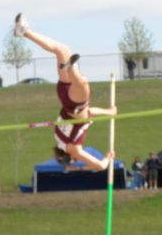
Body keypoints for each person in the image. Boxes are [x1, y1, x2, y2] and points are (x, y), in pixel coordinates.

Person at [14, 13, 116, 171]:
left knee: (82, 83)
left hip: (75, 104)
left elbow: (100, 166)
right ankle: (24, 32)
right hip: (64, 95)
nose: (79, 156)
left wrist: (107, 158)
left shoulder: (73, 148)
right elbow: (90, 112)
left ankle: (72, 68)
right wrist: (110, 111)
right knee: (62, 49)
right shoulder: (58, 138)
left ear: (71, 157)